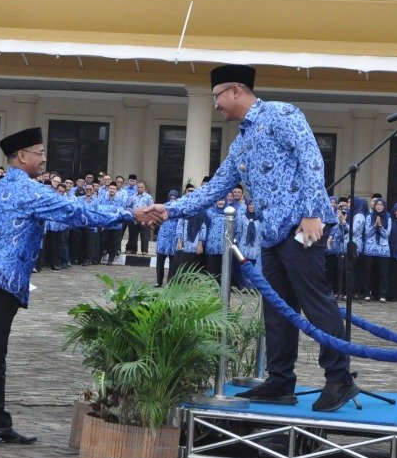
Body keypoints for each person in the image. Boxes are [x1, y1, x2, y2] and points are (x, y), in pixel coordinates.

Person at [149, 64, 358, 412]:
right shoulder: (241, 142)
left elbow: (311, 160)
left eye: (216, 96)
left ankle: (339, 380)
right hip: (273, 235)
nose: (215, 104)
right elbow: (216, 187)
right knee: (276, 309)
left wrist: (310, 214)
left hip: (304, 228)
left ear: (235, 90)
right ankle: (280, 381)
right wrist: (170, 210)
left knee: (316, 301)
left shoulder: (281, 114)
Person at [0, 126, 151, 447]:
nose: (44, 159)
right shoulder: (26, 191)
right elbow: (76, 211)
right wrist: (128, 214)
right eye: (40, 153)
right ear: (22, 157)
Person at [357, 197, 391, 302]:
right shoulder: (369, 217)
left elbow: (387, 234)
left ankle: (382, 294)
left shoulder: (388, 218)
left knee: (383, 273)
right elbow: (366, 234)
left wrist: (380, 226)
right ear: (374, 206)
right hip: (370, 249)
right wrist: (374, 226)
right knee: (368, 272)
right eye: (377, 204)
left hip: (383, 250)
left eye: (381, 205)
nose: (379, 206)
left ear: (384, 206)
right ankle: (367, 293)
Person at [153, 188, 179, 286]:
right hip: (163, 237)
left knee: (173, 261)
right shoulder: (163, 207)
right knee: (160, 260)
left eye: (174, 197)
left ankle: (170, 282)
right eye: (171, 197)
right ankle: (158, 281)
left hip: (174, 237)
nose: (172, 199)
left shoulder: (178, 208)